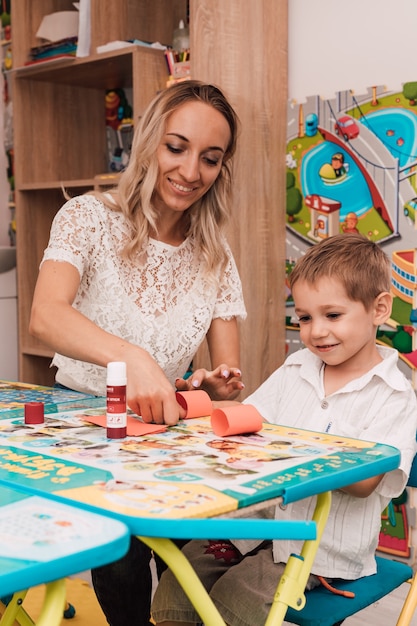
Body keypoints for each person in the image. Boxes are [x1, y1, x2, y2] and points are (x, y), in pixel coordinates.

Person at [29, 80, 247, 626]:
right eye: (176, 147)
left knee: (191, 557)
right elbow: (45, 315)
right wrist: (134, 359)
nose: (191, 171)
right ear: (149, 140)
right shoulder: (87, 218)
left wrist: (216, 387)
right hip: (81, 423)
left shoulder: (216, 253)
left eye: (210, 158)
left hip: (164, 432)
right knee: (125, 563)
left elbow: (227, 376)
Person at [151, 233, 417, 626]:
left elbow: (363, 482)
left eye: (333, 315)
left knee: (234, 598)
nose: (316, 332)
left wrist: (288, 447)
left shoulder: (395, 395)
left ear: (378, 309)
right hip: (255, 526)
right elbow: (250, 417)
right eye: (305, 318)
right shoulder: (296, 369)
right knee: (179, 582)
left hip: (322, 546)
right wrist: (204, 402)